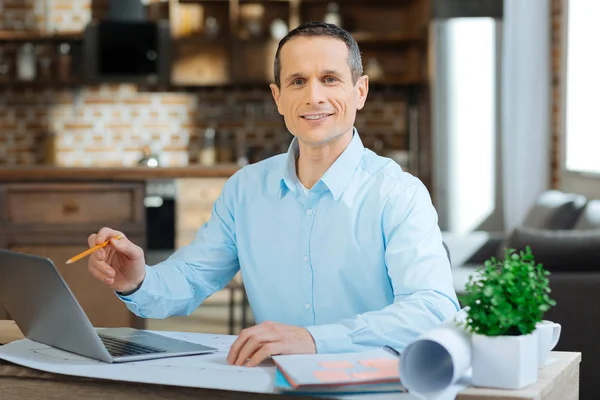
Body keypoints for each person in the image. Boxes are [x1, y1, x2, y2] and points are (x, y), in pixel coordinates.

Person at [87, 21, 459, 368]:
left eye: (329, 79)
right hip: (274, 382)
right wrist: (138, 280)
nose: (314, 97)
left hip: (371, 382)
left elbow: (432, 308)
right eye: (298, 81)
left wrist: (314, 340)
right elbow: (191, 277)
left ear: (359, 91)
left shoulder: (398, 193)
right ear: (278, 97)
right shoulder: (245, 189)